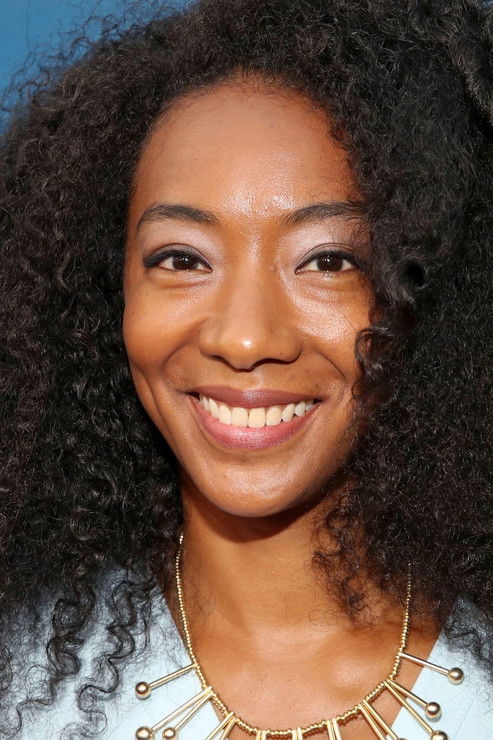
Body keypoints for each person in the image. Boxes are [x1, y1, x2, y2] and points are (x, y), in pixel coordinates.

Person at [1, 0, 492, 738]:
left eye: (328, 260)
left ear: (429, 293)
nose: (243, 338)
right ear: (109, 291)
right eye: (181, 259)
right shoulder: (20, 689)